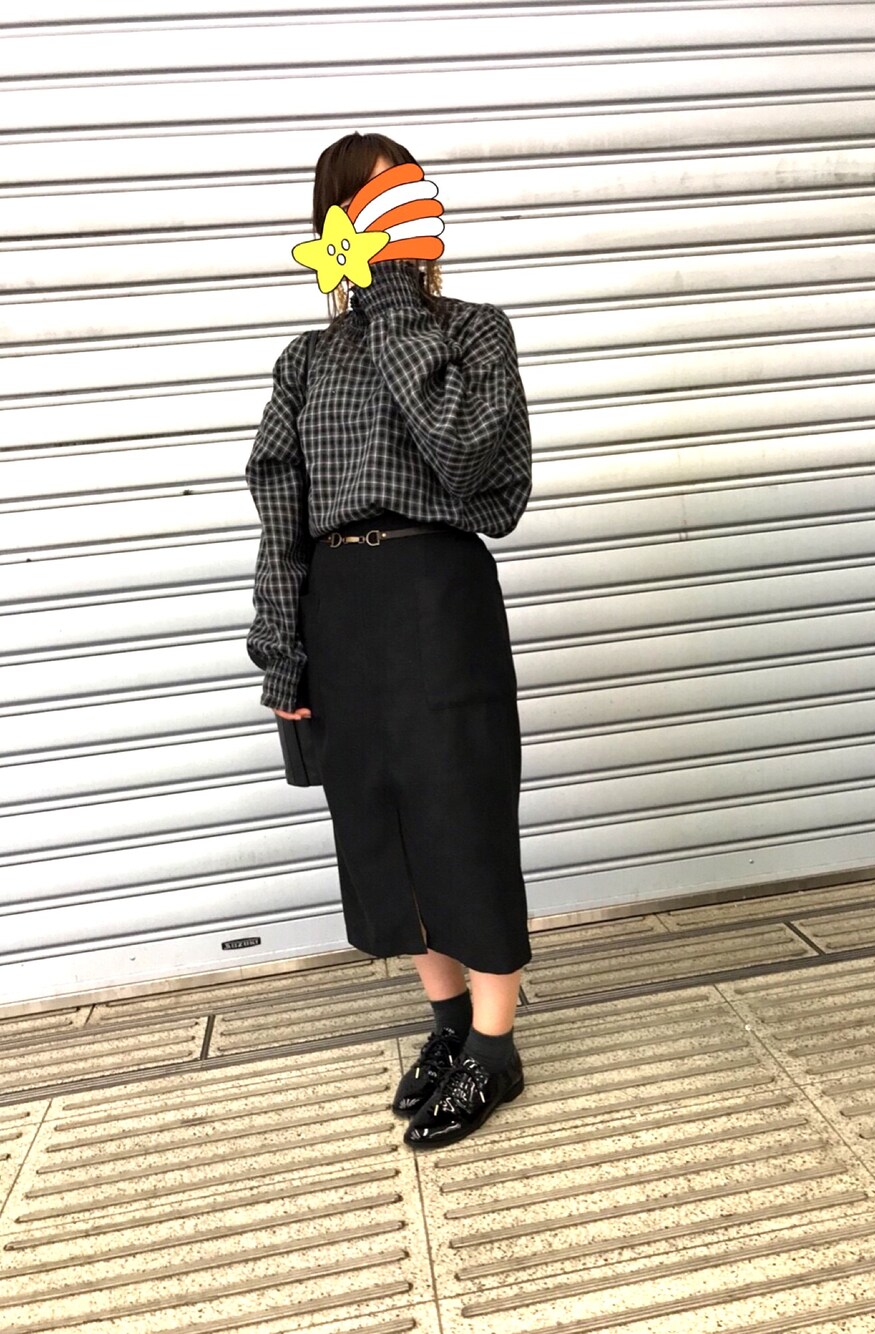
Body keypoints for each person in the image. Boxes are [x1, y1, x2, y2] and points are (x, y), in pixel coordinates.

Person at [244, 132, 534, 1150]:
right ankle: (448, 1023)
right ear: (333, 220)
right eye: (364, 205)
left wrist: (399, 305)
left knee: (460, 806)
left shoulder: (474, 333)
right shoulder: (305, 361)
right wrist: (282, 649)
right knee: (378, 821)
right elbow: (280, 513)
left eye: (400, 201)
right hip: (343, 604)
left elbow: (472, 463)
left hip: (436, 589)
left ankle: (494, 1046)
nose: (385, 222)